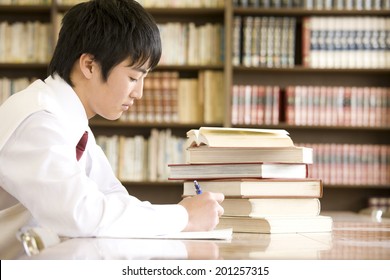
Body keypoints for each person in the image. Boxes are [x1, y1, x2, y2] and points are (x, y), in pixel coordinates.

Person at [0, 0, 224, 251]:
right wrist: (184, 217)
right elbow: (83, 214)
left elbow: (113, 197)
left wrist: (180, 216)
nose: (138, 93)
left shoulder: (73, 123)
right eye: (133, 77)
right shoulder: (39, 120)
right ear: (89, 65)